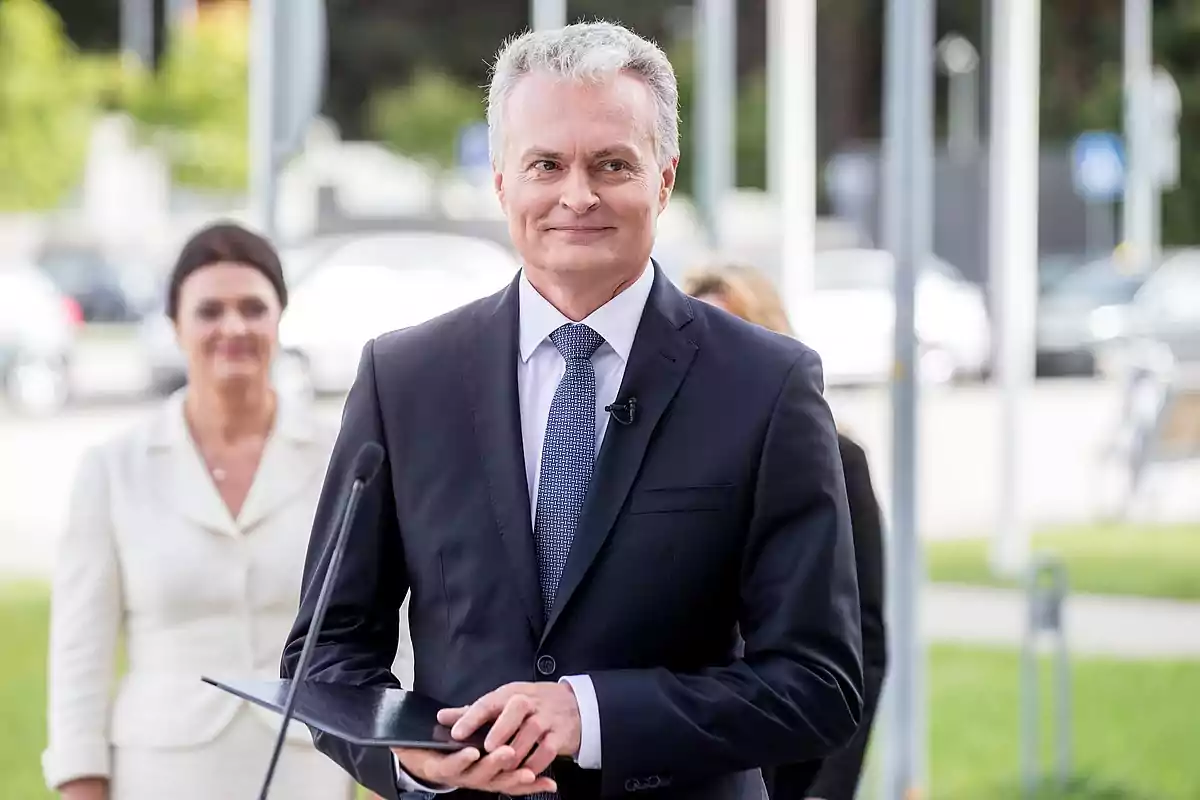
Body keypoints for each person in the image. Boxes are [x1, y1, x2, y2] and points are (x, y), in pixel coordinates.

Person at [282, 21, 864, 800]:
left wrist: (591, 715)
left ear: (664, 178)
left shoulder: (767, 383)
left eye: (612, 164)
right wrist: (408, 755)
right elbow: (325, 658)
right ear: (501, 182)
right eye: (546, 164)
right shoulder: (404, 378)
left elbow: (819, 682)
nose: (577, 195)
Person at [42, 223, 355, 800]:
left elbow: (389, 631)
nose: (232, 327)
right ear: (175, 326)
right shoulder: (112, 469)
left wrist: (391, 770)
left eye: (252, 308)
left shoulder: (342, 460)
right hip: (158, 772)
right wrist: (81, 781)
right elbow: (78, 655)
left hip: (304, 766)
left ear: (279, 319)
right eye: (209, 310)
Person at [683, 263, 888, 800]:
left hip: (794, 763)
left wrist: (831, 786)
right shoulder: (657, 463)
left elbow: (860, 643)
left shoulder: (836, 460)